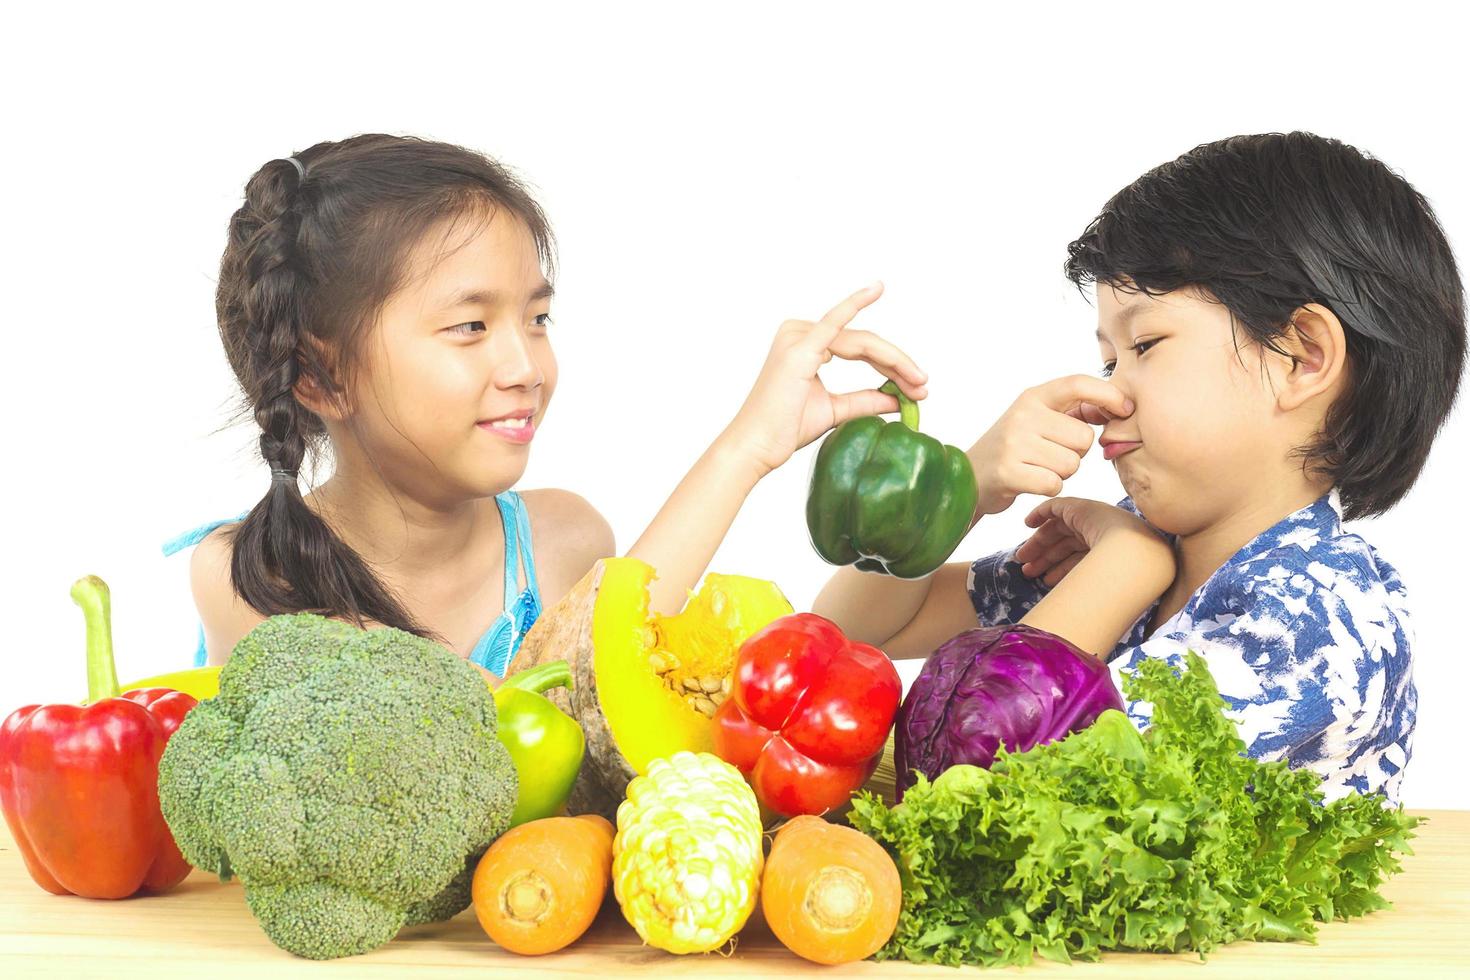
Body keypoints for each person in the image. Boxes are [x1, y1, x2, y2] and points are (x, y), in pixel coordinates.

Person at [815, 132, 1465, 804]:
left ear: (1300, 357)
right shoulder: (1125, 543)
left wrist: (1127, 568)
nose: (1107, 395)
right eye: (1108, 360)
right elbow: (850, 636)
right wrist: (963, 490)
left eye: (1145, 344)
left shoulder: (1321, 614)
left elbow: (983, 793)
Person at [164, 134, 927, 681]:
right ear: (321, 377)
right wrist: (742, 451)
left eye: (536, 318)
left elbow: (605, 708)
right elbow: (479, 747)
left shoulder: (562, 540)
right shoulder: (251, 575)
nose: (526, 366)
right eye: (470, 326)